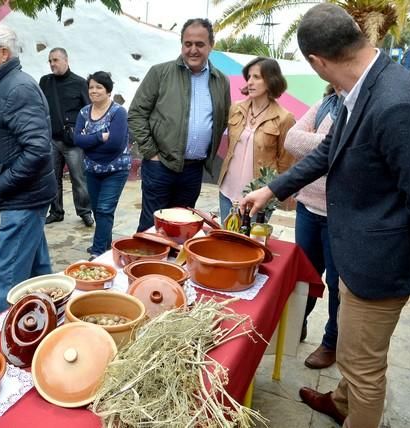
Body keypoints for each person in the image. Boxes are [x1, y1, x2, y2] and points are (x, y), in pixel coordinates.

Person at [240, 4, 410, 427]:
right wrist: (273, 188)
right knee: (351, 350)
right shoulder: (362, 88)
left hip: (380, 265)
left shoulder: (397, 103)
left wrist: (398, 255)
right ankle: (340, 401)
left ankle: (356, 410)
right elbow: (332, 150)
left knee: (365, 370)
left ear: (317, 62)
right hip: (358, 252)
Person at [0, 24, 56, 316]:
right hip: (23, 196)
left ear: (3, 53)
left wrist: (2, 183)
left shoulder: (17, 88)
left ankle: (3, 338)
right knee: (38, 272)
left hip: (22, 197)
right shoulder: (3, 83)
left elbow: (37, 149)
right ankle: (47, 322)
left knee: (7, 276)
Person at [128, 18, 230, 232]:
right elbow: (136, 113)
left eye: (200, 44)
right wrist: (151, 153)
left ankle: (173, 267)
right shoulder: (160, 73)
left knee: (183, 227)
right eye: (188, 43)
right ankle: (145, 265)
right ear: (182, 44)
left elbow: (220, 121)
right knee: (151, 227)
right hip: (159, 166)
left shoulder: (221, 80)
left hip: (193, 170)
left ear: (211, 45)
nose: (193, 49)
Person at [285, 84, 343, 370]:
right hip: (308, 208)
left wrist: (319, 143)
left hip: (341, 216)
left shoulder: (364, 106)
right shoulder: (326, 104)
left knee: (337, 284)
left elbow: (353, 151)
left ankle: (331, 343)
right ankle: (298, 325)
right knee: (304, 276)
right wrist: (334, 144)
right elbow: (291, 140)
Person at [217, 56, 294, 222]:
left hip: (258, 197)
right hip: (227, 190)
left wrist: (271, 193)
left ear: (271, 81)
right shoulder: (236, 108)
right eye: (249, 77)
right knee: (225, 242)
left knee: (250, 244)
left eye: (257, 77)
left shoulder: (284, 118)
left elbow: (285, 163)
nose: (250, 82)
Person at [74, 72, 131, 260]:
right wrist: (99, 138)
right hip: (92, 169)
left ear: (108, 91)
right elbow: (77, 139)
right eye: (91, 87)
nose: (94, 91)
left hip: (115, 169)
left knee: (105, 209)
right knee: (98, 210)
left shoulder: (118, 112)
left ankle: (98, 252)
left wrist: (90, 145)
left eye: (99, 87)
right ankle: (107, 247)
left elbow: (115, 144)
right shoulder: (84, 112)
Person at [39, 48, 94, 228]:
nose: (52, 64)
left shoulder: (79, 83)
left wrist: (81, 131)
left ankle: (85, 212)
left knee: (79, 178)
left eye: (55, 60)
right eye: (50, 61)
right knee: (52, 179)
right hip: (51, 140)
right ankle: (56, 211)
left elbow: (88, 111)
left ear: (66, 60)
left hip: (73, 142)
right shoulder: (45, 82)